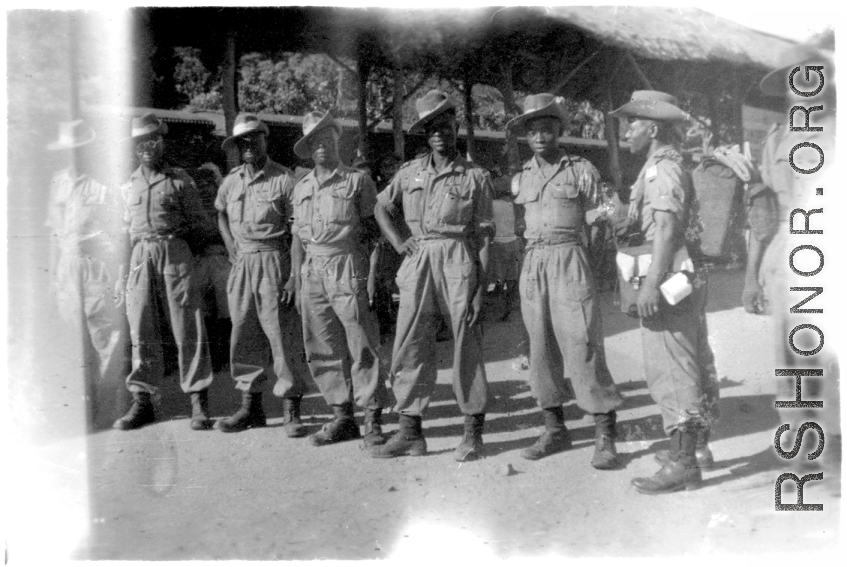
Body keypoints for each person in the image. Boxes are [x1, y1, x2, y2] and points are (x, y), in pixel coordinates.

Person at [371, 90, 494, 462]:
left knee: (465, 343)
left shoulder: (475, 176)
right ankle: (411, 432)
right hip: (419, 256)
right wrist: (399, 242)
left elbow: (484, 235)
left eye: (444, 125)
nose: (438, 133)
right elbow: (380, 206)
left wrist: (479, 288)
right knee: (410, 342)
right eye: (430, 128)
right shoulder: (409, 172)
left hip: (459, 257)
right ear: (424, 134)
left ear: (455, 126)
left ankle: (473, 432)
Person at [505, 94, 624, 468]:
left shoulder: (580, 170)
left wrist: (594, 259)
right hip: (534, 261)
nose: (540, 135)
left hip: (570, 258)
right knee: (540, 348)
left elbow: (607, 214)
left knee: (583, 342)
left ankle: (605, 435)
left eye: (547, 127)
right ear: (526, 135)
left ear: (559, 130)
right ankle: (554, 428)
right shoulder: (520, 177)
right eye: (533, 129)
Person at [610, 91, 719, 493]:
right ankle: (695, 450)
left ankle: (684, 463)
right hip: (683, 278)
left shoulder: (660, 169)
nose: (627, 132)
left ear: (652, 128)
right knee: (692, 362)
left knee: (672, 370)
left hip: (668, 281)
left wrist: (651, 286)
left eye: (633, 124)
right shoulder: (667, 165)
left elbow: (668, 230)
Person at [290, 111, 388, 447]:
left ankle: (373, 419)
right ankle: (342, 417)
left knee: (361, 343)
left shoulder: (358, 181)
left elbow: (375, 234)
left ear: (337, 141)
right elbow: (297, 238)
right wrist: (296, 278)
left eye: (327, 139)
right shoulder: (300, 186)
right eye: (314, 141)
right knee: (321, 346)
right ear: (308, 148)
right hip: (312, 270)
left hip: (348, 265)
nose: (321, 146)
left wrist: (373, 277)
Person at [114, 112, 216, 431]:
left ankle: (198, 401)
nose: (147, 147)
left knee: (188, 326)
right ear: (134, 148)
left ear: (162, 143)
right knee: (141, 329)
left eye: (153, 140)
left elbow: (201, 225)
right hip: (140, 256)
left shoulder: (179, 180)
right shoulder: (127, 186)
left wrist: (179, 246)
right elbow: (123, 235)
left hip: (174, 252)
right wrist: (122, 274)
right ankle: (143, 401)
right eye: (140, 142)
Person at [214, 114, 311, 436]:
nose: (249, 145)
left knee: (282, 336)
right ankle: (250, 407)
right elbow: (221, 215)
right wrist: (230, 245)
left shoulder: (284, 179)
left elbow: (298, 230)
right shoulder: (230, 181)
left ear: (265, 140)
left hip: (274, 259)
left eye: (255, 138)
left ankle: (291, 408)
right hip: (242, 263)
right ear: (237, 147)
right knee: (243, 333)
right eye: (243, 141)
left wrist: (293, 275)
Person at [46, 119, 131, 429]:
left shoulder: (104, 185)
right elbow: (53, 233)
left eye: (80, 148)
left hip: (98, 266)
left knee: (105, 337)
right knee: (73, 338)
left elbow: (119, 233)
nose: (75, 154)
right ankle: (85, 405)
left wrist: (120, 276)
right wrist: (53, 276)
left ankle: (110, 406)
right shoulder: (58, 183)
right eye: (70, 150)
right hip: (68, 267)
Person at [191, 163, 232, 372]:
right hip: (200, 259)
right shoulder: (195, 207)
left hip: (222, 258)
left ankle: (226, 355)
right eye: (201, 184)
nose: (205, 188)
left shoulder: (224, 203)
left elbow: (226, 232)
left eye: (209, 182)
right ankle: (212, 357)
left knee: (225, 309)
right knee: (205, 310)